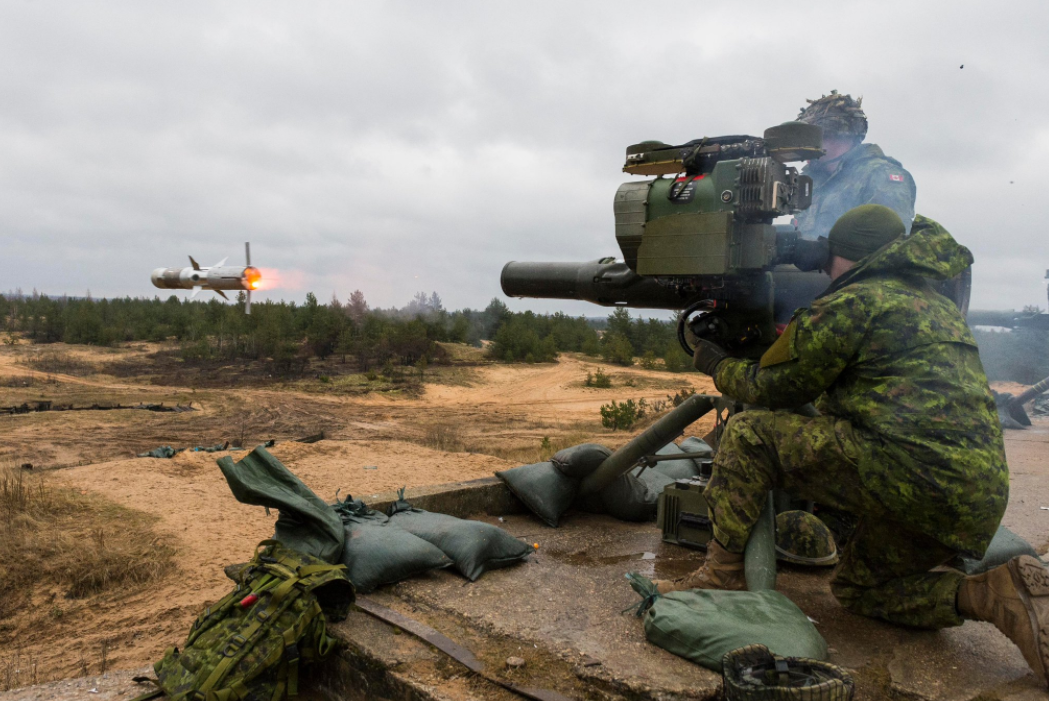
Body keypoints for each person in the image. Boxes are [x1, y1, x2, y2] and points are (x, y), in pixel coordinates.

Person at [654, 205, 1049, 686]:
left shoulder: (855, 302)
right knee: (861, 590)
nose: (823, 269)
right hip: (972, 495)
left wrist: (716, 362)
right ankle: (992, 595)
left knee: (749, 433)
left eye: (829, 258)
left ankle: (722, 573)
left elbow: (775, 389)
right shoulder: (937, 305)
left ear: (847, 257)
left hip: (906, 473)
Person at [793, 91, 917, 238]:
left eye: (811, 137)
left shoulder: (879, 175)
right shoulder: (813, 182)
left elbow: (889, 246)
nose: (805, 145)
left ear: (834, 134)